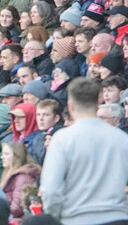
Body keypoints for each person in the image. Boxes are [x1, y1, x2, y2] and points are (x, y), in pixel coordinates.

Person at [41, 77, 128, 224]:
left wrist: (54, 216)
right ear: (98, 102)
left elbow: (50, 190)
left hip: (77, 218)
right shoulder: (121, 138)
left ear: (70, 105)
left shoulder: (62, 139)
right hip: (118, 217)